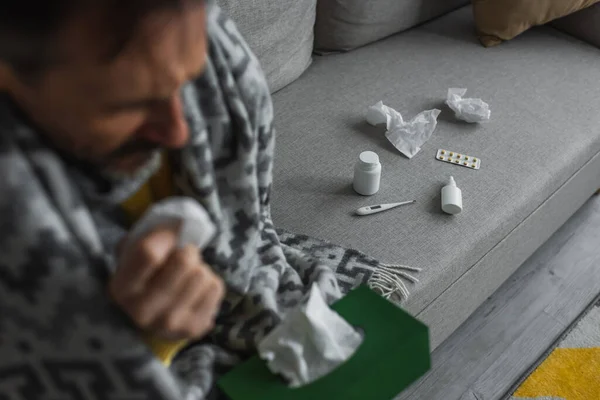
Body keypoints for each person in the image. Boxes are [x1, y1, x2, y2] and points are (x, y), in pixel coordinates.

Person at [0, 0, 342, 398]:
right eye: (128, 104)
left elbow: (252, 228)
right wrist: (136, 341)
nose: (179, 132)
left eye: (188, 79)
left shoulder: (213, 54)